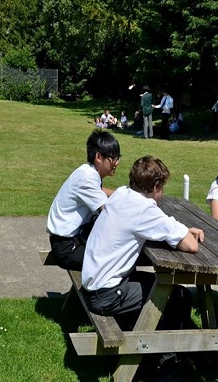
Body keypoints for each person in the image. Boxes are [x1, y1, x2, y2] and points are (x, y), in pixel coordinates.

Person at [82, 155, 204, 377]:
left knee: (156, 286)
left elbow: (156, 225)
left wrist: (182, 228)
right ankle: (169, 365)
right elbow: (191, 246)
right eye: (162, 188)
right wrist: (187, 232)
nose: (162, 194)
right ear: (156, 186)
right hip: (106, 295)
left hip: (93, 283)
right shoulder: (145, 209)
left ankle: (156, 355)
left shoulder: (121, 194)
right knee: (177, 296)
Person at [46, 130, 121, 271]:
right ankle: (110, 292)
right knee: (117, 256)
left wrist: (123, 194)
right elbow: (108, 212)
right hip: (68, 248)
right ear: (99, 157)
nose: (117, 163)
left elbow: (100, 191)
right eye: (114, 158)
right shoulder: (87, 179)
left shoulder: (87, 171)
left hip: (71, 239)